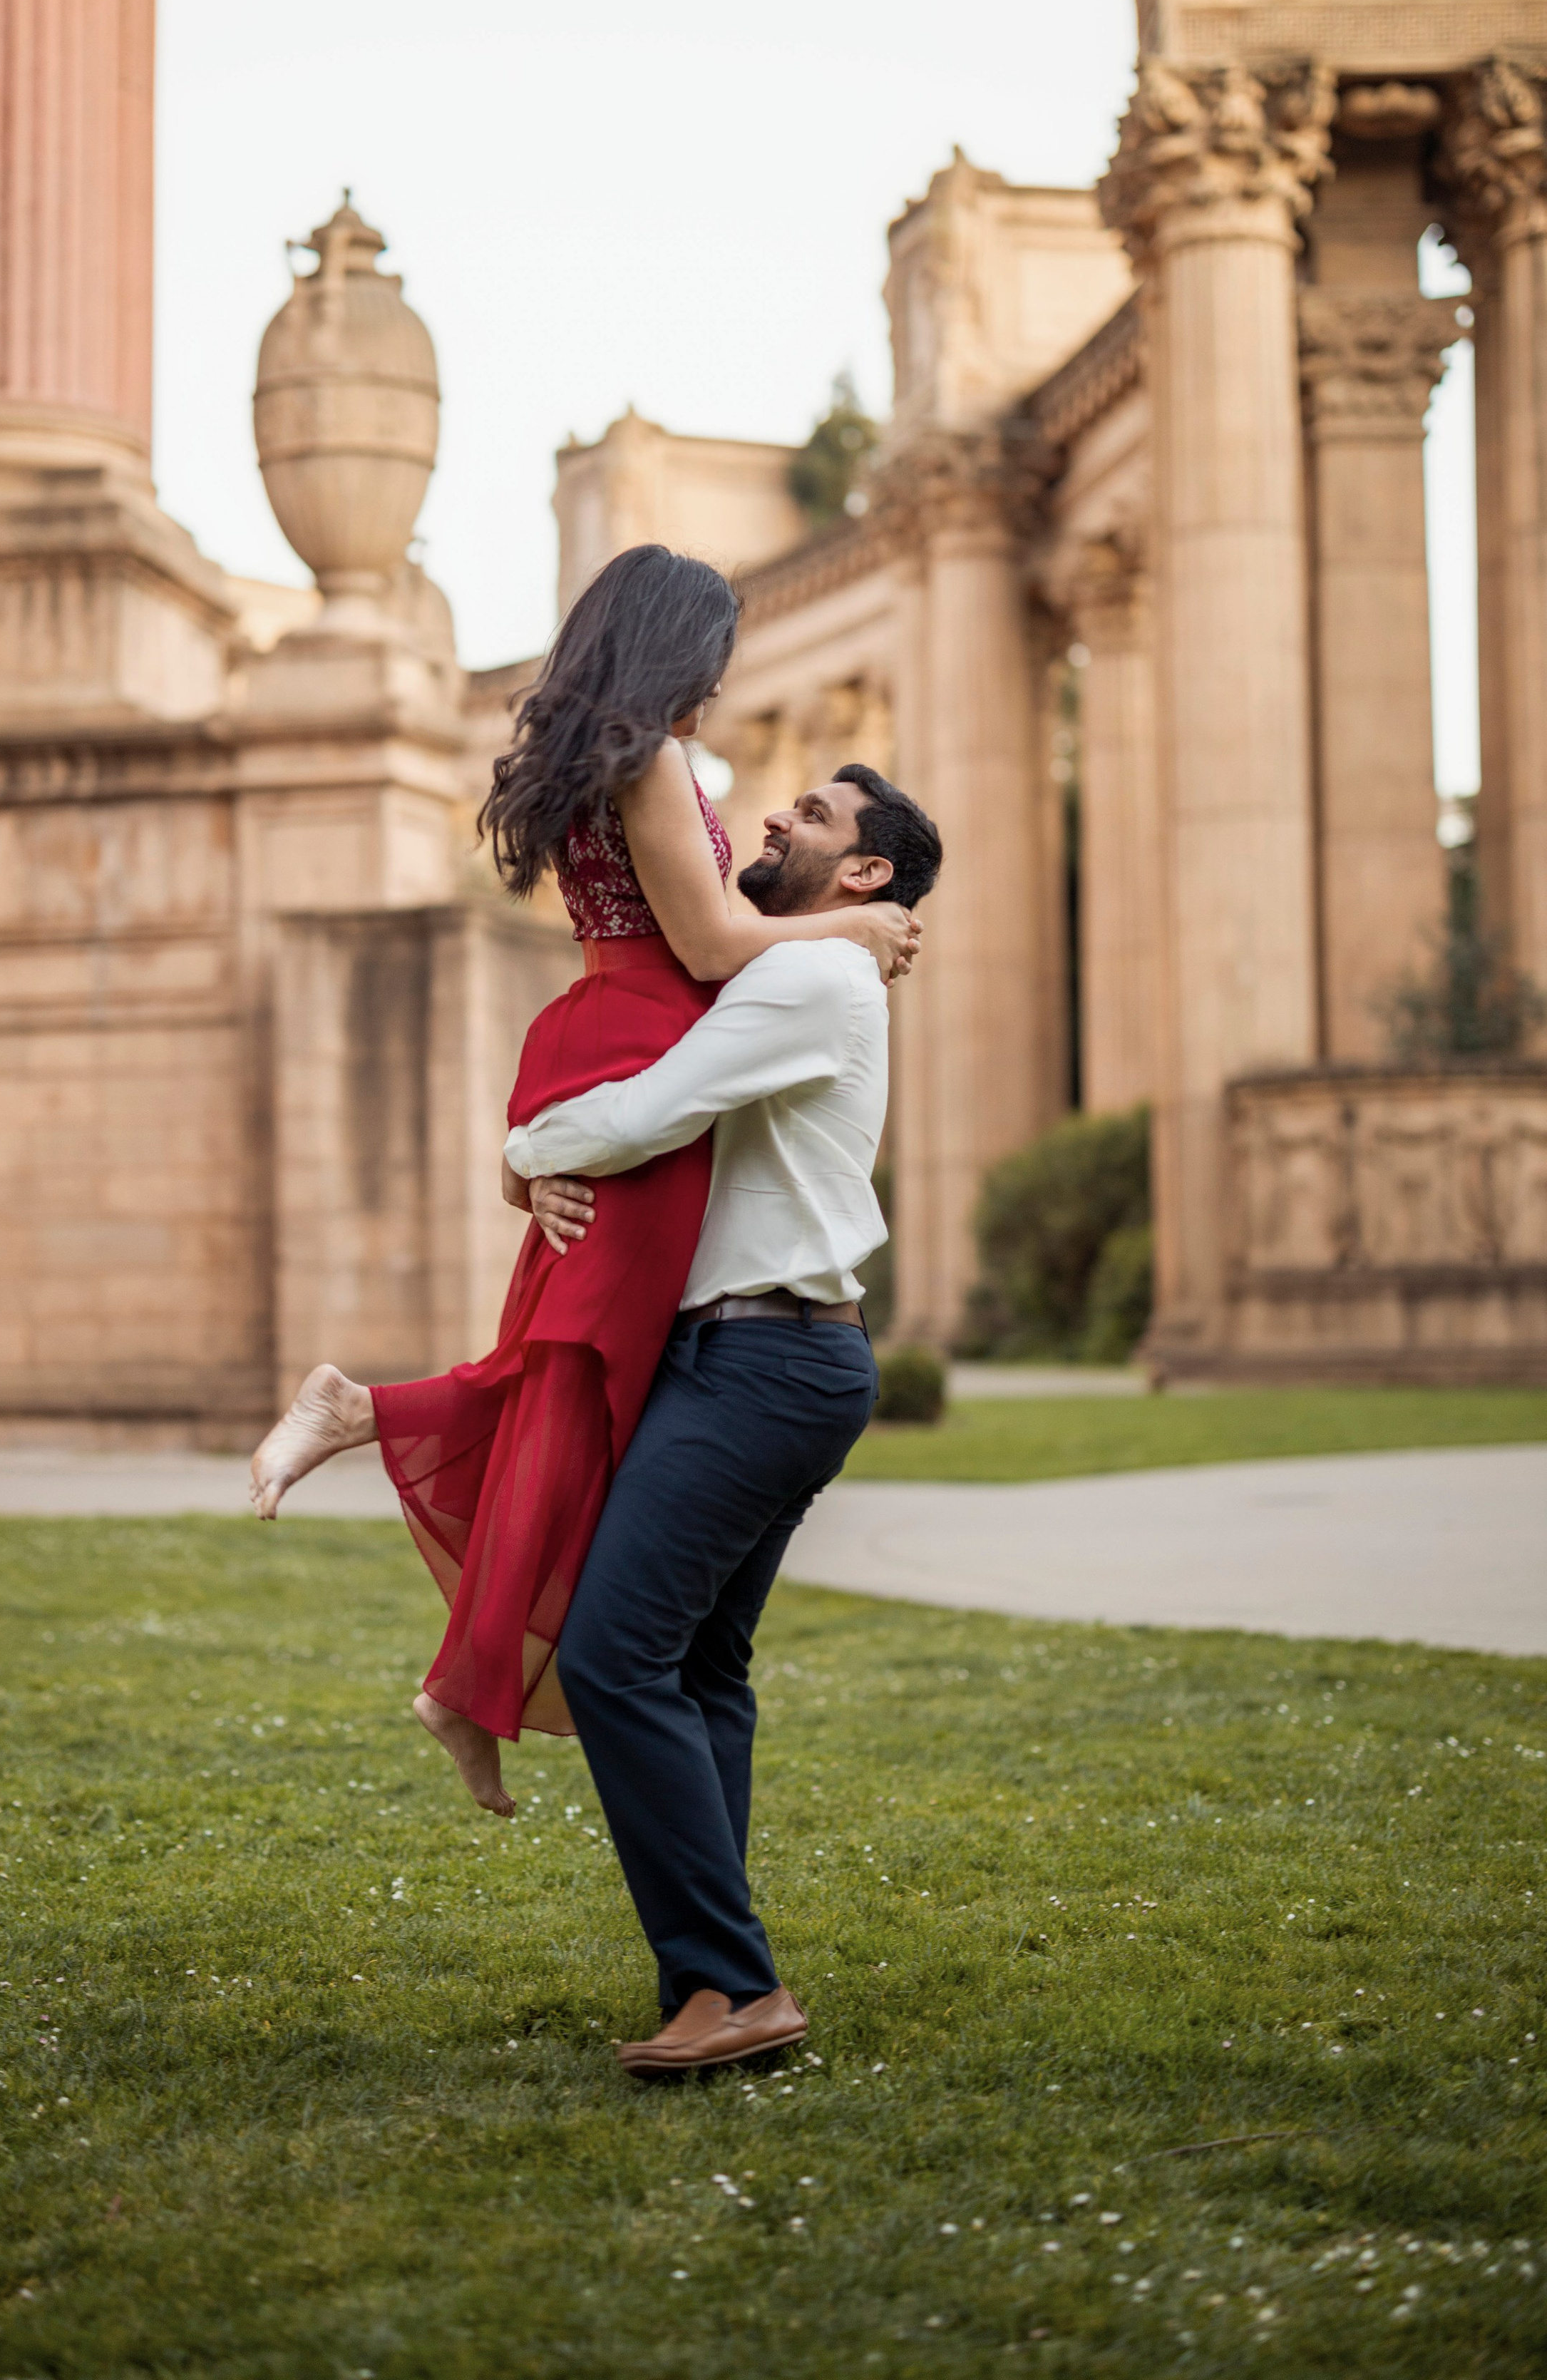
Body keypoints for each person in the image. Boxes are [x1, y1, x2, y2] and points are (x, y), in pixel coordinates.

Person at [249, 547, 918, 1824]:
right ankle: (457, 1651)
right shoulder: (652, 761)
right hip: (649, 1044)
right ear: (679, 648)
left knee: (569, 1355)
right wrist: (851, 923)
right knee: (581, 1364)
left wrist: (536, 1147)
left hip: (617, 1038)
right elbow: (710, 944)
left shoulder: (606, 759)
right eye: (716, 659)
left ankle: (414, 1541)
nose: (720, 688)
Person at [506, 762, 941, 2073]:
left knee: (613, 1655)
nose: (774, 817)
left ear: (865, 873)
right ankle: (709, 1976)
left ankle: (736, 1985)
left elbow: (647, 1116)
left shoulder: (813, 978)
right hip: (771, 1353)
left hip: (762, 1360)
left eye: (813, 816)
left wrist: (522, 1152)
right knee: (699, 1672)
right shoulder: (801, 963)